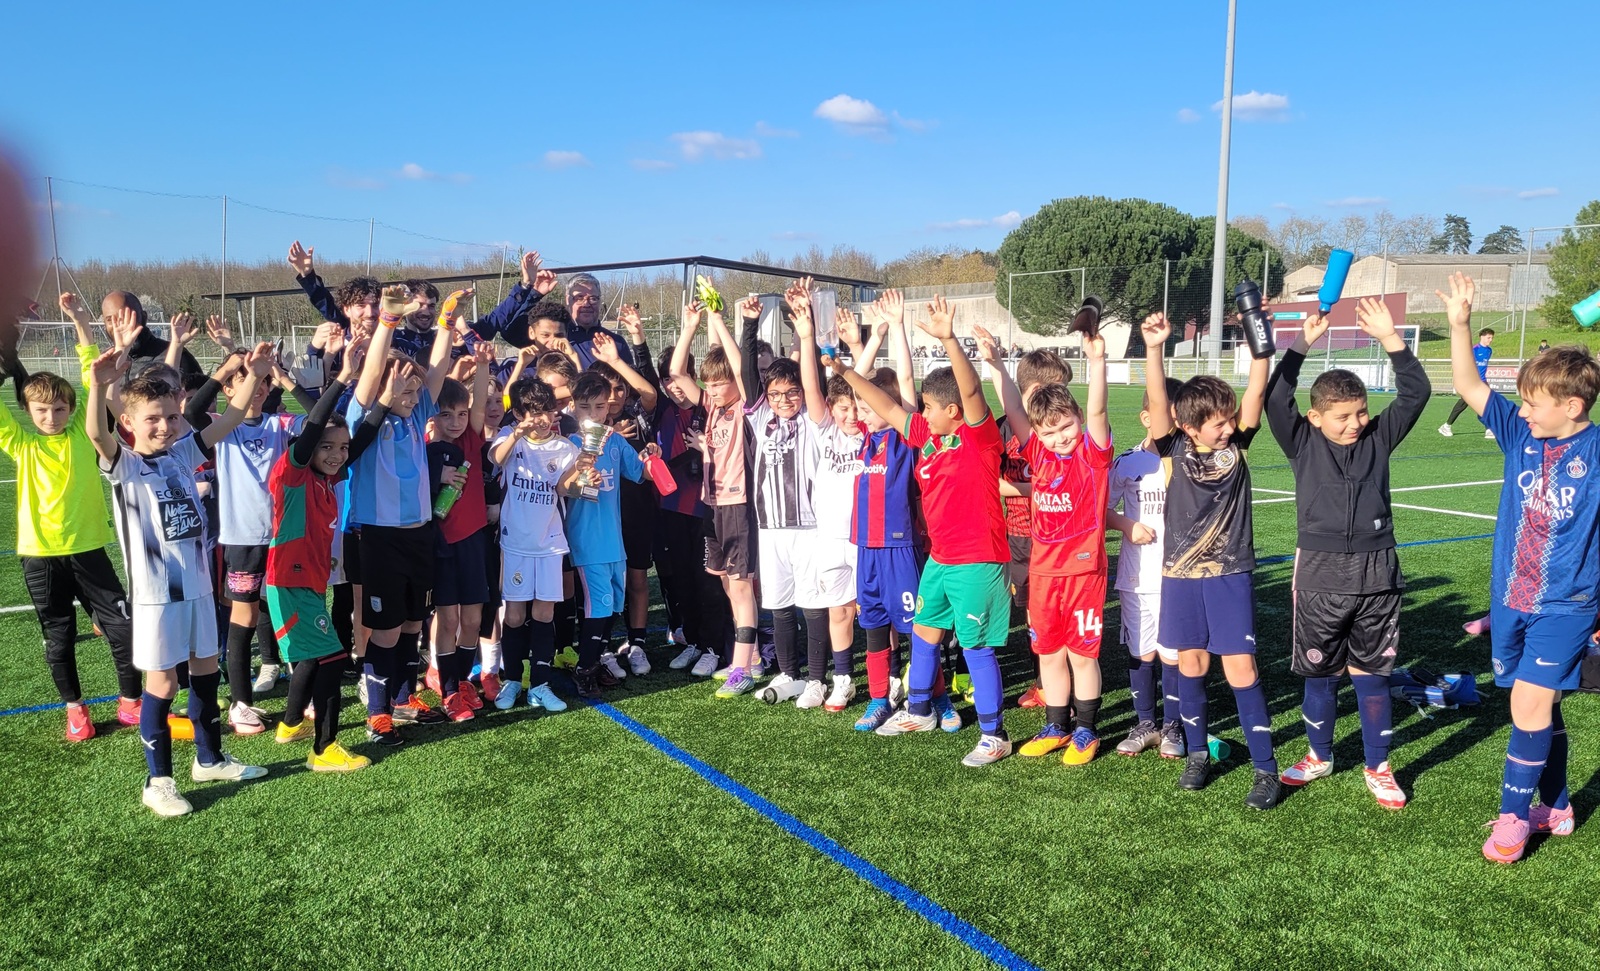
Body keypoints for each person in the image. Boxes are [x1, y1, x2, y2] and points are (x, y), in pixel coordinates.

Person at [1438, 273, 1600, 862]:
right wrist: (1459, 322)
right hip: (1513, 598)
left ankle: (1513, 818)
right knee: (1544, 704)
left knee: (1527, 703)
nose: (1523, 410)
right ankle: (1556, 805)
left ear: (1572, 407)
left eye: (1534, 403)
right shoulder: (1519, 437)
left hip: (1569, 603)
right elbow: (1466, 382)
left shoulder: (1598, 451)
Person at [84, 310, 272, 817]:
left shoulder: (183, 452)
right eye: (152, 419)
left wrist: (253, 372)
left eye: (170, 416)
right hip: (154, 597)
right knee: (164, 684)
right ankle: (157, 781)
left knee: (206, 672)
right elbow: (97, 436)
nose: (164, 426)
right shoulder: (124, 465)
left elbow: (230, 418)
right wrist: (98, 385)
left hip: (197, 589)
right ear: (129, 423)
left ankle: (209, 759)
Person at [835, 296, 1014, 767]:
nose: (924, 414)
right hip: (941, 558)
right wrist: (848, 374)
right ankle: (919, 710)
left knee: (975, 647)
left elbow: (973, 392)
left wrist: (949, 339)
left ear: (954, 410)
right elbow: (889, 409)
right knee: (925, 633)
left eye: (932, 407)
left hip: (978, 560)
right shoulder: (929, 438)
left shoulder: (978, 437)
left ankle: (995, 734)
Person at [1267, 298, 1430, 810]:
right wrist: (1300, 345)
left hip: (1379, 573)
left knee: (1372, 676)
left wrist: (1391, 340)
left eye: (1360, 412)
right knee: (1320, 674)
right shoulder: (1301, 441)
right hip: (1318, 575)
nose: (1354, 423)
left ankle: (1379, 765)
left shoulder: (1379, 437)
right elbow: (1275, 397)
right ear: (1315, 417)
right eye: (1341, 417)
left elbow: (1416, 392)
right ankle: (1319, 754)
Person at [1141, 311, 1281, 809]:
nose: (1227, 428)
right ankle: (1198, 753)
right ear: (1188, 426)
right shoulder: (1170, 449)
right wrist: (1154, 349)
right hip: (1180, 576)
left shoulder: (1237, 445)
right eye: (1217, 423)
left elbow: (1255, 394)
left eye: (1228, 420)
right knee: (1193, 665)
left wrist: (1258, 343)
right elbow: (1159, 401)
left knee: (1240, 668)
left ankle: (1267, 770)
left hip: (1229, 575)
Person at [0, 293, 141, 741]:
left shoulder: (84, 434)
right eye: (42, 410)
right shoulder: (22, 445)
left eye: (60, 409)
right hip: (40, 557)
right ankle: (75, 708)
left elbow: (90, 375)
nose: (52, 416)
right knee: (58, 638)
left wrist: (81, 321)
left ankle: (130, 701)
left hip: (88, 550)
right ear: (28, 412)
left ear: (71, 410)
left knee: (122, 626)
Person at [983, 325, 1112, 766]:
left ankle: (1086, 730)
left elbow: (1097, 411)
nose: (1060, 437)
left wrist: (1097, 362)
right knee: (1050, 653)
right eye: (1050, 431)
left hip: (1082, 574)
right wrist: (997, 364)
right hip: (1043, 573)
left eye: (1066, 426)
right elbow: (1014, 408)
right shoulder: (1037, 451)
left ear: (1077, 419)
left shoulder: (1091, 455)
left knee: (1081, 656)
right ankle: (1057, 725)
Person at [344, 285, 460, 744]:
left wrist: (447, 323)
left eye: (414, 390)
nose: (412, 395)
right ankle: (377, 713)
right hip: (380, 539)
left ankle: (402, 698)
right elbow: (372, 376)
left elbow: (435, 371)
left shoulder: (416, 413)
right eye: (402, 389)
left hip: (419, 535)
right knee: (387, 629)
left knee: (413, 622)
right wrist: (387, 323)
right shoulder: (364, 418)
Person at [267, 336, 388, 771]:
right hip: (291, 582)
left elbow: (360, 443)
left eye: (341, 449)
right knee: (333, 659)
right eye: (327, 448)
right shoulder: (293, 474)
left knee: (310, 658)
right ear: (307, 449)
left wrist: (385, 400)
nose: (337, 455)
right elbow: (314, 426)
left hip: (308, 583)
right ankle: (323, 750)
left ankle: (290, 723)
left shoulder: (326, 480)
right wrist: (341, 380)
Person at [183, 338, 315, 734]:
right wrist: (226, 369)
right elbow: (191, 411)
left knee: (289, 613)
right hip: (241, 541)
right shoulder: (220, 431)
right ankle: (241, 703)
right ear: (227, 390)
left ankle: (301, 695)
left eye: (260, 384)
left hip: (283, 538)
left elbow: (321, 417)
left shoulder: (282, 425)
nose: (254, 390)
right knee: (243, 617)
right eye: (243, 383)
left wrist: (284, 379)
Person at [669, 300, 761, 689]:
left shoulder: (745, 407)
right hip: (713, 505)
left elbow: (740, 370)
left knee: (741, 588)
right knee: (725, 582)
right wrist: (691, 324)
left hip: (738, 505)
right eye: (709, 383)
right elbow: (676, 371)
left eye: (720, 383)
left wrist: (720, 321)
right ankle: (752, 659)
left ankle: (740, 669)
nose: (714, 389)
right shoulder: (710, 407)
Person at [848, 292, 923, 731]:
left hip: (900, 549)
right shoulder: (865, 439)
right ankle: (879, 698)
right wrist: (871, 339)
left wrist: (896, 327)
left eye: (869, 405)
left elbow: (908, 389)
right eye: (860, 405)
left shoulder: (901, 438)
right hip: (867, 551)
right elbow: (854, 381)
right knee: (874, 627)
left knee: (917, 630)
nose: (862, 410)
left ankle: (929, 696)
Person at [492, 377, 589, 711]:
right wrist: (517, 432)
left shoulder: (565, 447)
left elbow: (565, 489)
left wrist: (584, 476)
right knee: (516, 616)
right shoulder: (509, 438)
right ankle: (512, 680)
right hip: (516, 543)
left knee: (544, 613)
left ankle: (541, 685)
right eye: (534, 412)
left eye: (548, 410)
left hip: (549, 544)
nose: (543, 419)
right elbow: (496, 461)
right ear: (519, 413)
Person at [1107, 377, 1187, 759]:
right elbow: (1101, 510)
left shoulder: (1189, 461)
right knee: (1142, 651)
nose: (1172, 423)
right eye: (1165, 415)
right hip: (1137, 577)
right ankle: (1145, 723)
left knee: (1173, 653)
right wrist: (1127, 525)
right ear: (1145, 417)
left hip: (1178, 576)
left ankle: (1173, 725)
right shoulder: (1127, 462)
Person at [425, 342, 497, 721]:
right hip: (440, 546)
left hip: (473, 542)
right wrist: (436, 478)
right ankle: (449, 689)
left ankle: (464, 681)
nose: (455, 421)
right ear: (430, 417)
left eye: (461, 414)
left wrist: (483, 366)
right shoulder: (421, 451)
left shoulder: (469, 439)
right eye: (446, 414)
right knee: (447, 620)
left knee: (472, 620)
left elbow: (482, 408)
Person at [1439, 326, 1495, 439]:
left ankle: (1488, 429)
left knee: (1484, 404)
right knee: (1463, 404)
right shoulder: (1474, 350)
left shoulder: (1489, 351)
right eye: (1488, 338)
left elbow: (1482, 369)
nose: (1490, 340)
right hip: (1470, 382)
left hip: (1481, 382)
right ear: (1482, 337)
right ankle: (1446, 425)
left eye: (1491, 338)